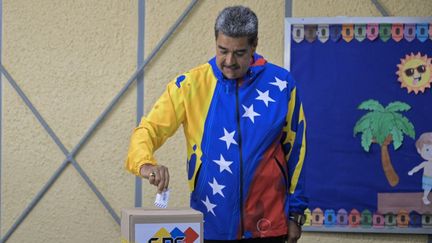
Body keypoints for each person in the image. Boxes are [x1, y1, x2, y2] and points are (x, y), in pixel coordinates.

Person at [125, 5, 307, 243]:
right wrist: (146, 165)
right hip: (209, 225)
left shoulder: (282, 84)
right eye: (222, 50)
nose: (229, 61)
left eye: (240, 53)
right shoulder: (189, 85)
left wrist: (295, 214)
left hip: (268, 225)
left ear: (254, 45)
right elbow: (147, 130)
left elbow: (297, 150)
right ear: (215, 43)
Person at [408, 132, 432, 205]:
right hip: (428, 178)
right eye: (427, 149)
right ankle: (425, 197)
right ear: (419, 150)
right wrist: (412, 171)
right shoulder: (426, 163)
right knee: (427, 188)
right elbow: (418, 167)